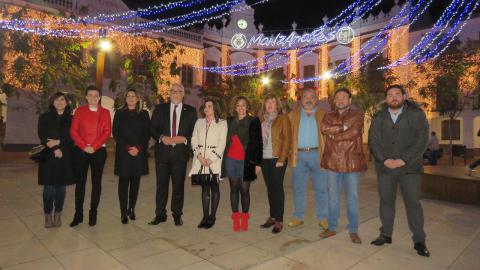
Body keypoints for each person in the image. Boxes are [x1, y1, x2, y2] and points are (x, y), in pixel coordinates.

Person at [369, 85, 430, 257]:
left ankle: (419, 240)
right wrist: (385, 159)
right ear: (386, 98)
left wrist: (404, 159)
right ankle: (385, 235)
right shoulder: (379, 117)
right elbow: (373, 140)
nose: (394, 97)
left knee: (413, 204)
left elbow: (421, 140)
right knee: (386, 202)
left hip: (410, 168)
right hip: (385, 168)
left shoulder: (416, 115)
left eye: (397, 94)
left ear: (404, 96)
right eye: (390, 95)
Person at [319, 88, 367, 243]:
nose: (340, 100)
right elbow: (324, 129)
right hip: (332, 161)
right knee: (332, 197)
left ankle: (353, 230)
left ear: (349, 100)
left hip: (352, 162)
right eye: (337, 97)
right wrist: (342, 128)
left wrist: (334, 136)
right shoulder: (328, 115)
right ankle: (332, 227)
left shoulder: (358, 115)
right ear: (334, 101)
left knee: (352, 197)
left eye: (344, 97)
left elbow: (354, 132)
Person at [149, 83, 197, 226]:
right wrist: (162, 138)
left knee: (178, 187)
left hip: (180, 155)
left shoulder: (191, 111)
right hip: (162, 154)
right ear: (169, 93)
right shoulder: (160, 109)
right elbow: (152, 129)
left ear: (183, 94)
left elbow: (194, 131)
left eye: (178, 91)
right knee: (161, 186)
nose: (175, 93)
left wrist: (184, 138)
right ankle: (160, 214)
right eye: (173, 91)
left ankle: (177, 214)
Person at [70, 85, 112, 227]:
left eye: (96, 95)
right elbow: (73, 131)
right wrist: (84, 146)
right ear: (86, 97)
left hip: (98, 151)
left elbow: (107, 131)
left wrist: (93, 147)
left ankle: (93, 213)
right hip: (81, 151)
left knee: (96, 183)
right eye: (90, 95)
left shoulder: (105, 112)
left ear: (99, 97)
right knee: (80, 183)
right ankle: (78, 214)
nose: (93, 98)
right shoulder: (79, 111)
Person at [287, 89, 328, 231]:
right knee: (298, 188)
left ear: (317, 99)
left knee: (322, 189)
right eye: (305, 97)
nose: (309, 99)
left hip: (318, 155)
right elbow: (285, 136)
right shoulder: (292, 115)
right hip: (299, 156)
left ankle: (323, 218)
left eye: (312, 97)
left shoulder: (324, 115)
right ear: (300, 100)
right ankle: (298, 217)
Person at [222, 96, 262, 231]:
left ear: (247, 107)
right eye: (238, 105)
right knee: (234, 189)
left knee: (245, 190)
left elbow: (257, 143)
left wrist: (257, 163)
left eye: (243, 105)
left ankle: (244, 218)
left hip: (247, 161)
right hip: (231, 160)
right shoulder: (229, 121)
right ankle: (235, 218)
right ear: (235, 107)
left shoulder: (253, 121)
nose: (241, 107)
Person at [112, 89, 150, 224]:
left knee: (135, 183)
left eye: (133, 96)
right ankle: (123, 212)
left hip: (139, 153)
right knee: (123, 183)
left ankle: (132, 208)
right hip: (124, 153)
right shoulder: (119, 113)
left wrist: (138, 148)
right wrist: (128, 147)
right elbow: (116, 133)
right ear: (125, 99)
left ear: (137, 99)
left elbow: (147, 133)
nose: (131, 98)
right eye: (128, 96)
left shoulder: (144, 114)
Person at [37, 92, 75, 228]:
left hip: (65, 156)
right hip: (48, 156)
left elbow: (73, 137)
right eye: (56, 100)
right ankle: (47, 215)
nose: (59, 102)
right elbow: (42, 135)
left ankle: (58, 214)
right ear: (52, 102)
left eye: (62, 99)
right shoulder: (44, 117)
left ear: (66, 102)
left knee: (61, 188)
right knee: (49, 188)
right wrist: (55, 149)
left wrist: (59, 142)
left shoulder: (72, 119)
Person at [189, 99, 228, 229]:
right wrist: (199, 156)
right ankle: (205, 217)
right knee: (204, 189)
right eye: (205, 106)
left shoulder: (222, 123)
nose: (206, 108)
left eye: (209, 106)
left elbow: (222, 144)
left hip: (214, 162)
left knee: (214, 188)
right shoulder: (199, 122)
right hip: (200, 161)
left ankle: (212, 217)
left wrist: (210, 160)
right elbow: (193, 139)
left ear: (215, 108)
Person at [259, 95, 291, 234]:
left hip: (277, 158)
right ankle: (272, 216)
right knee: (270, 187)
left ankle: (279, 220)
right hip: (264, 158)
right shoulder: (261, 119)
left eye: (273, 101)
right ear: (264, 105)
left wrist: (282, 159)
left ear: (277, 104)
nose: (270, 104)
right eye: (268, 102)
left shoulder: (282, 118)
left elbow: (287, 139)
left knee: (277, 188)